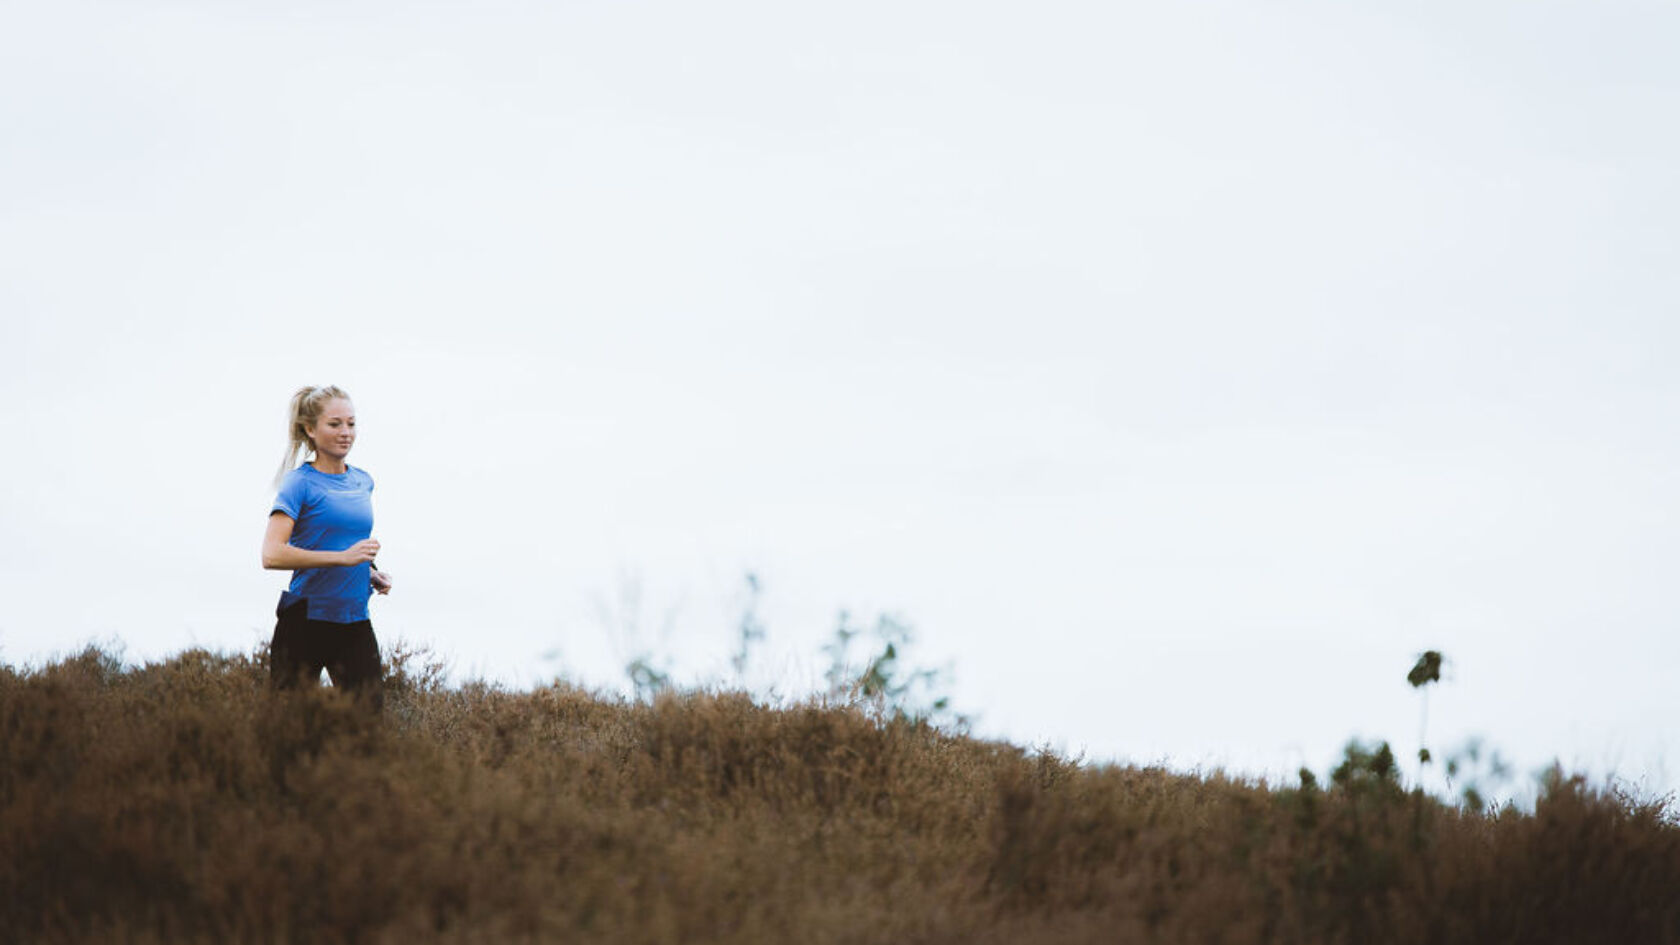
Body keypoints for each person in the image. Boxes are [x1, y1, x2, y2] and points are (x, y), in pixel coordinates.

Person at [261, 385, 392, 711]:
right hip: (305, 620)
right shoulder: (299, 483)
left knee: (367, 729)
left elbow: (338, 541)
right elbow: (272, 554)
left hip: (354, 620)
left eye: (351, 423)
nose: (346, 432)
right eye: (335, 424)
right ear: (310, 429)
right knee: (287, 727)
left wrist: (369, 572)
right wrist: (343, 559)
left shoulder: (363, 481)